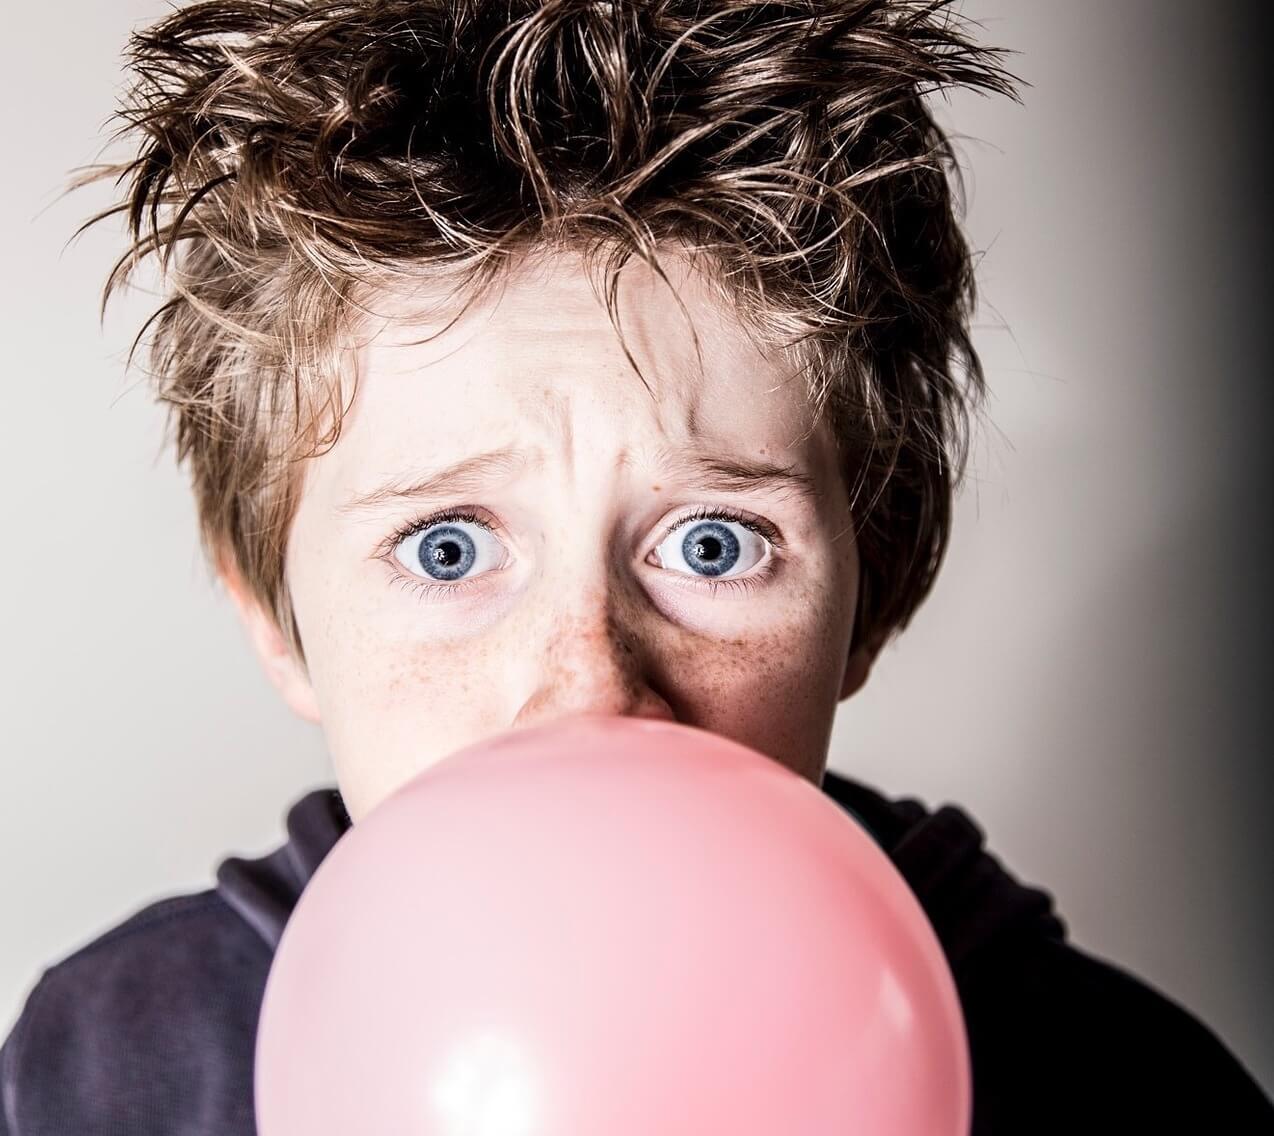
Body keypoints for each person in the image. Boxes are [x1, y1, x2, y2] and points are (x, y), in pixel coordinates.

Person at [2, 1, 1270, 1132]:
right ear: (272, 617)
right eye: (448, 547)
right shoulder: (101, 1073)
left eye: (710, 544)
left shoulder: (1126, 1088)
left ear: (874, 586)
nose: (590, 692)